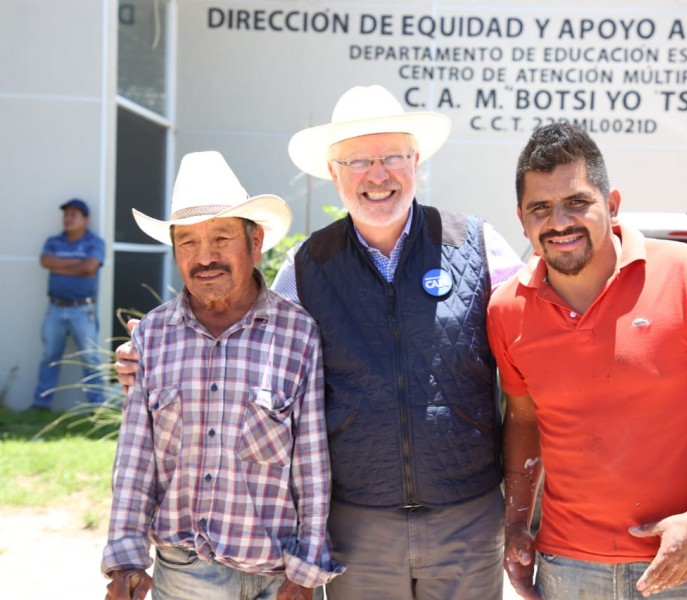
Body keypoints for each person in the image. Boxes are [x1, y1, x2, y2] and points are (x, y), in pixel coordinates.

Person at [116, 85, 523, 599]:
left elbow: (539, 340)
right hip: (357, 526)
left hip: (467, 518)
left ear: (416, 160)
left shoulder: (477, 244)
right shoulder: (306, 267)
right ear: (334, 174)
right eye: (356, 161)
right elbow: (246, 342)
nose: (376, 175)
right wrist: (149, 355)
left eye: (391, 156)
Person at [487, 122, 687, 599]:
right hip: (568, 567)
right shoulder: (507, 309)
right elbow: (524, 419)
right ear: (522, 220)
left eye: (577, 202)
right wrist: (518, 524)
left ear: (613, 204)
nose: (559, 221)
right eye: (541, 208)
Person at [101, 151, 343, 600]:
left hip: (278, 569)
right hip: (186, 570)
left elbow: (312, 462)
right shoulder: (154, 334)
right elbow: (135, 460)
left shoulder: (298, 333)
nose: (204, 256)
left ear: (256, 243)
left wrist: (306, 571)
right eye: (188, 242)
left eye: (221, 237)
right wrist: (125, 558)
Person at [33, 198, 106, 410]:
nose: (68, 218)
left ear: (85, 219)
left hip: (83, 310)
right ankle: (40, 404)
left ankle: (98, 407)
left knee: (90, 358)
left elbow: (90, 267)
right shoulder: (54, 242)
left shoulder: (95, 242)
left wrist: (61, 265)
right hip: (55, 309)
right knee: (49, 357)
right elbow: (46, 261)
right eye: (66, 214)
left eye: (74, 215)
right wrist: (79, 264)